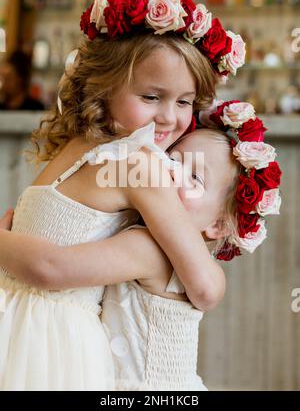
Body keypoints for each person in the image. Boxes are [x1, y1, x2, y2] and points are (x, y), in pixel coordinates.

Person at [0, 0, 246, 391]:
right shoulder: (140, 162)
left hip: (14, 319)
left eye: (185, 102)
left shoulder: (76, 145)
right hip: (55, 340)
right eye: (151, 97)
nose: (169, 117)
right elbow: (205, 286)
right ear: (103, 86)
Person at [0, 100, 282, 390]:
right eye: (171, 159)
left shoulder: (148, 248)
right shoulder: (151, 240)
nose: (171, 173)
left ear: (218, 225)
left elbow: (51, 268)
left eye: (195, 177)